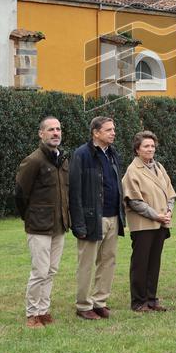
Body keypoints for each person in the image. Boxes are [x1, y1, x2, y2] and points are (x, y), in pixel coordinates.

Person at [15, 116, 70, 328]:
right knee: (39, 271)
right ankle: (32, 314)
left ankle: (43, 311)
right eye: (51, 129)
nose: (56, 133)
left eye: (58, 129)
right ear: (41, 134)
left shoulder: (62, 160)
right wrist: (30, 217)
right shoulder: (34, 160)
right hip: (38, 226)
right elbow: (20, 193)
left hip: (59, 225)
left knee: (51, 270)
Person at [70, 116, 126, 321]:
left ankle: (99, 301)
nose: (113, 133)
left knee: (108, 261)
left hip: (113, 217)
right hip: (92, 218)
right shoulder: (82, 154)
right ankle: (83, 305)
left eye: (113, 129)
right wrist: (78, 223)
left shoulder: (112, 154)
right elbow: (74, 191)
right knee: (86, 264)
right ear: (95, 132)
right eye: (108, 130)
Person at [122, 130, 176, 312]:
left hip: (161, 223)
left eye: (152, 146)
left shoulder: (159, 167)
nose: (150, 149)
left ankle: (152, 299)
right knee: (141, 264)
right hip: (143, 225)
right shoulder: (132, 171)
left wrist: (169, 211)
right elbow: (134, 201)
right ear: (137, 149)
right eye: (146, 146)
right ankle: (139, 302)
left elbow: (170, 193)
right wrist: (156, 215)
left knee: (154, 263)